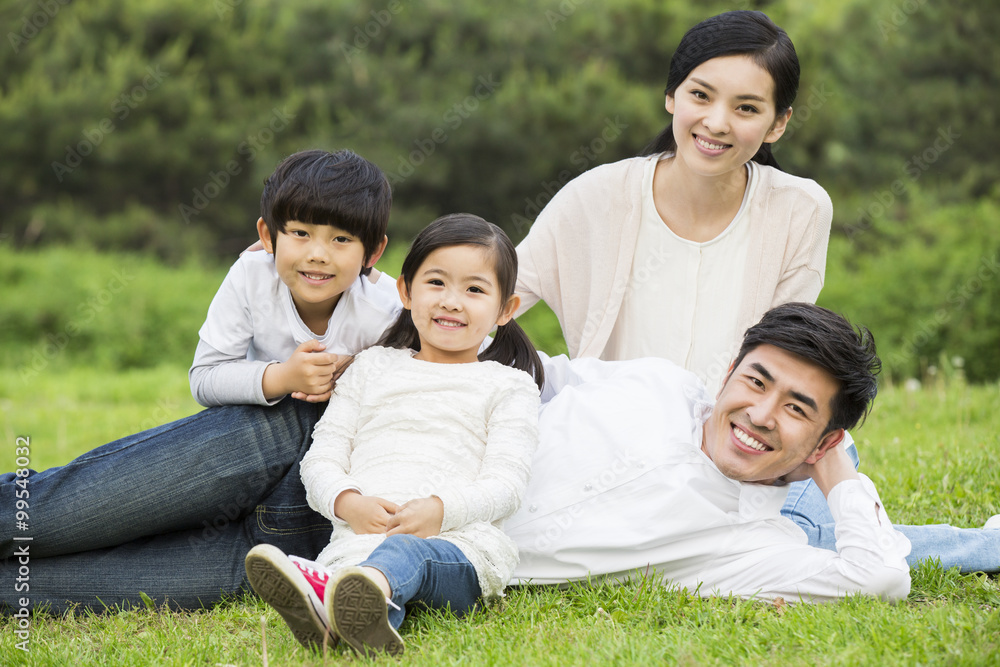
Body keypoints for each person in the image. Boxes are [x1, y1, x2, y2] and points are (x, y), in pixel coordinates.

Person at [513, 9, 1000, 573]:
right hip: (629, 454)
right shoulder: (597, 196)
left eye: (746, 108)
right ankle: (977, 546)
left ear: (777, 124)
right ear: (671, 96)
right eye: (701, 95)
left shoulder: (799, 208)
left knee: (795, 526)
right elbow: (494, 299)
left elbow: (788, 351)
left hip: (754, 444)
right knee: (804, 535)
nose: (717, 122)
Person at [0, 148, 402, 612]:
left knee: (62, 587)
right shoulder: (253, 277)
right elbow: (206, 377)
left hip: (312, 531)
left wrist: (360, 372)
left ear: (373, 251)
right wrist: (281, 376)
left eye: (341, 239)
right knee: (71, 512)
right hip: (259, 442)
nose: (317, 253)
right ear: (267, 236)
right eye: (300, 233)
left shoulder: (392, 308)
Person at [243, 213, 543, 657]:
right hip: (358, 543)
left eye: (475, 289)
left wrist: (441, 511)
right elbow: (322, 458)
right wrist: (348, 502)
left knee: (405, 554)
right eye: (436, 283)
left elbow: (507, 484)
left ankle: (338, 598)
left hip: (459, 551)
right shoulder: (372, 367)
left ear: (505, 309)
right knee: (361, 569)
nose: (452, 302)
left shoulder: (508, 385)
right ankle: (342, 614)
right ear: (405, 291)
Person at [508, 302, 912, 602]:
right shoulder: (661, 382)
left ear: (823, 444)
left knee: (824, 532)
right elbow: (539, 375)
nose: (760, 414)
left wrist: (838, 468)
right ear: (728, 375)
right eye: (756, 382)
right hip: (455, 467)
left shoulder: (753, 545)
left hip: (461, 553)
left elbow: (877, 576)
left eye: (795, 408)